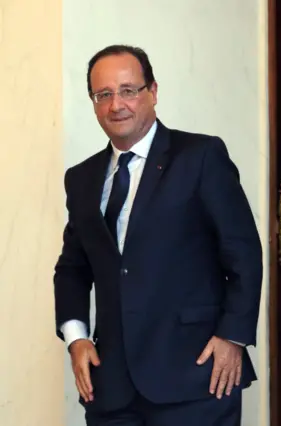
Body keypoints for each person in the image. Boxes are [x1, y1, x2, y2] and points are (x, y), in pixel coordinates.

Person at [53, 45, 263, 426]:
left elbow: (243, 253)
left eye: (129, 90)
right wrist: (76, 338)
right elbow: (72, 269)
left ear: (153, 92)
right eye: (104, 95)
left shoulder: (200, 156)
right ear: (94, 103)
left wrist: (233, 337)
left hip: (197, 377)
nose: (117, 104)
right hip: (112, 388)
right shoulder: (81, 179)